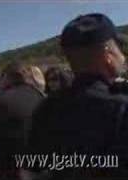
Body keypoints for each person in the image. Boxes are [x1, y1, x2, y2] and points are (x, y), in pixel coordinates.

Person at [29, 13, 128, 178]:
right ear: (108, 55)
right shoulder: (122, 109)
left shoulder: (45, 109)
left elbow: (31, 170)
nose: (123, 56)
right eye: (119, 48)